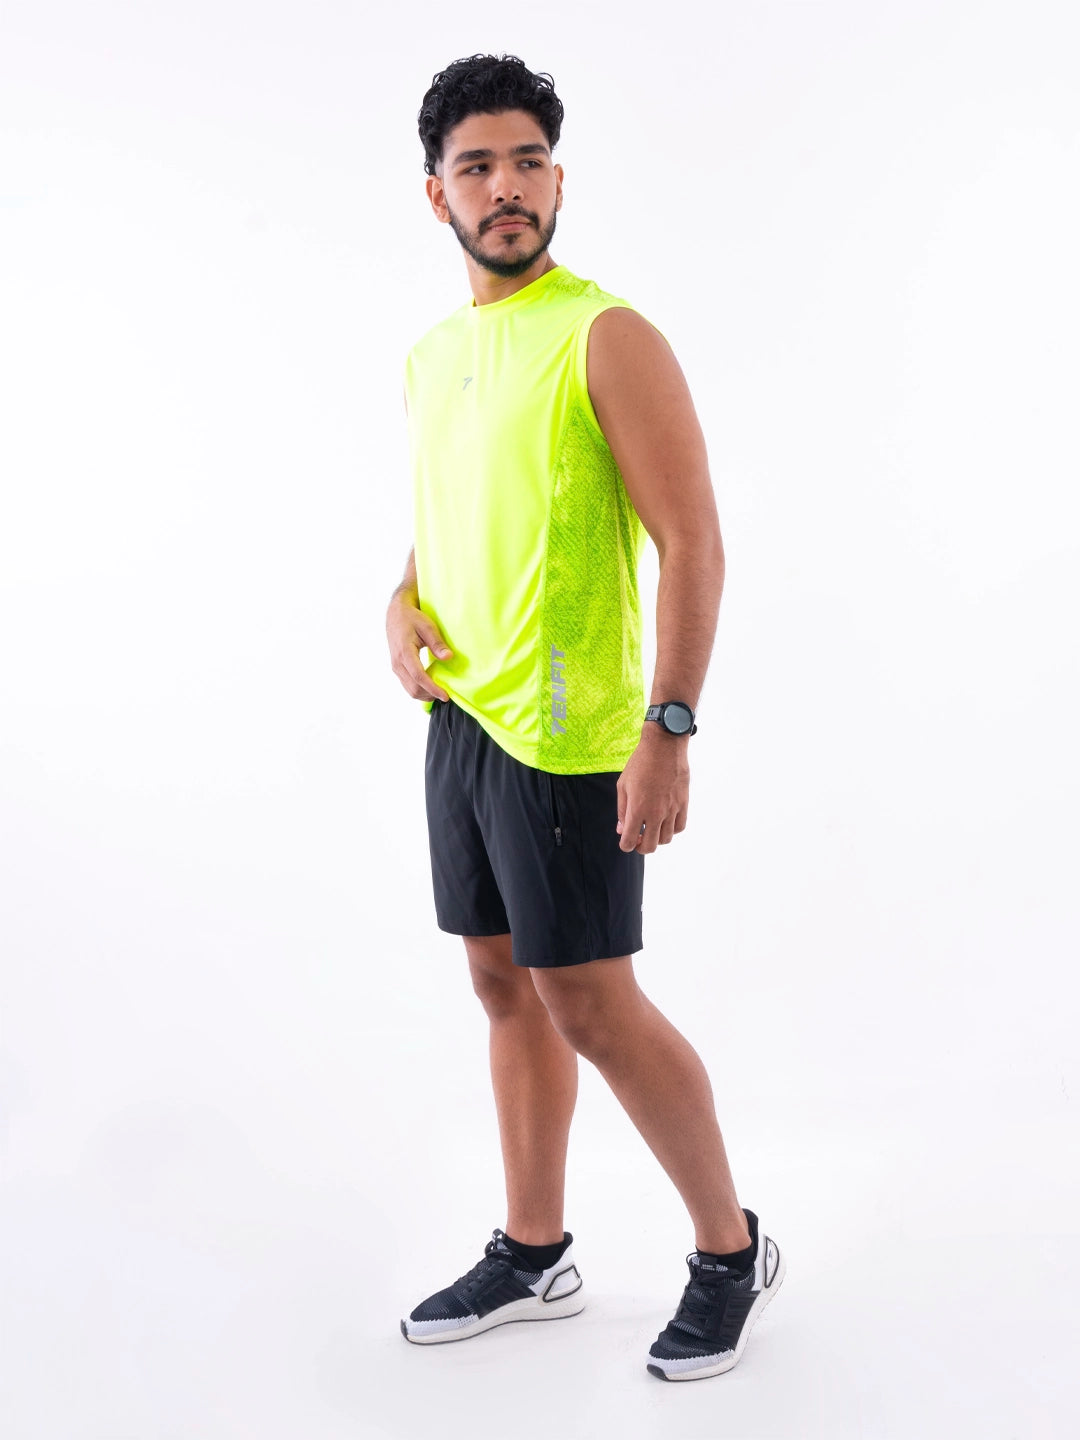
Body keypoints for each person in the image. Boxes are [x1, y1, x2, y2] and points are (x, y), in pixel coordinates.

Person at [385, 53, 784, 1382]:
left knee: (592, 1003)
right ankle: (534, 1249)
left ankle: (729, 1250)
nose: (506, 187)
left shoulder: (605, 334)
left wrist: (668, 725)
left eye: (527, 162)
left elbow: (693, 539)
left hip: (574, 735)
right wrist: (400, 601)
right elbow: (454, 514)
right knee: (500, 985)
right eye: (477, 167)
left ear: (558, 179)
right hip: (464, 721)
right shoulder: (435, 355)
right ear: (436, 193)